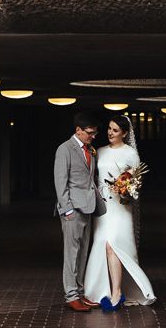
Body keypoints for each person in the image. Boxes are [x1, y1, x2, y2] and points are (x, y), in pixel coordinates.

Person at [83, 115, 157, 310]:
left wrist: (125, 188)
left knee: (112, 246)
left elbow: (137, 183)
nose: (110, 132)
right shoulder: (99, 151)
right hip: (102, 209)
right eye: (109, 128)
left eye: (115, 130)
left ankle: (117, 293)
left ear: (124, 133)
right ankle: (100, 291)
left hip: (121, 208)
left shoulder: (130, 153)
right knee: (102, 245)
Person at [53, 111, 107, 312]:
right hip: (73, 210)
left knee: (83, 253)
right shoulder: (64, 149)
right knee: (71, 254)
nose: (93, 136)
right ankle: (71, 296)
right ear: (78, 130)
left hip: (89, 207)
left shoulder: (89, 149)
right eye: (90, 133)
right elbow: (60, 182)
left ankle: (81, 293)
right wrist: (67, 210)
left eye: (94, 133)